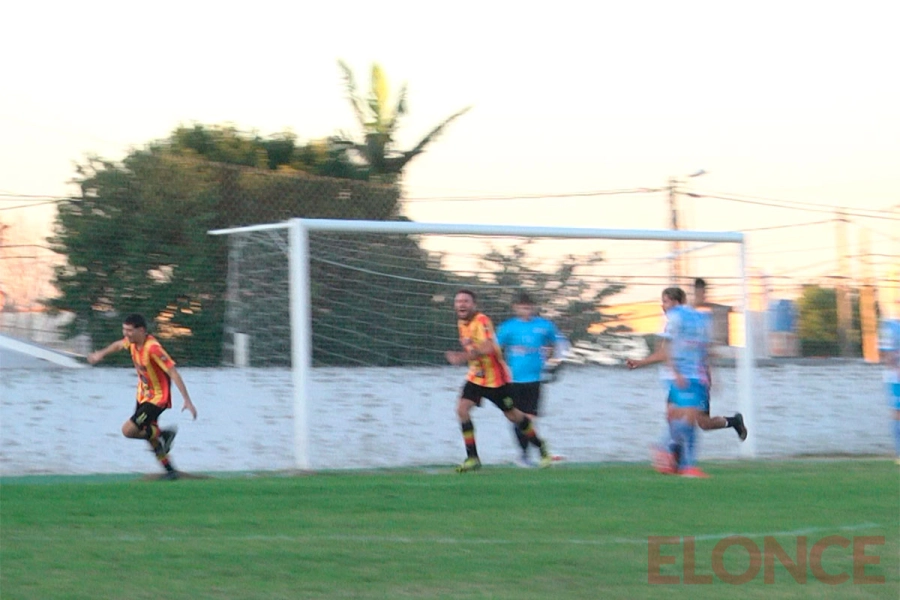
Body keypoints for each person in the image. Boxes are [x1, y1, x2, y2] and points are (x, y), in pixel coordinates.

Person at [445, 289, 553, 472]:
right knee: (461, 410)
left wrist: (461, 357)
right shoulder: (462, 323)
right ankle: (472, 458)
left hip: (496, 379)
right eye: (458, 301)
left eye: (466, 301)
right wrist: (466, 358)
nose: (461, 304)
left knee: (514, 416)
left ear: (474, 305)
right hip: (476, 376)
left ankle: (541, 447)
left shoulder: (482, 321)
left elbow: (488, 347)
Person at [88, 313, 198, 479]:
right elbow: (118, 345)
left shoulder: (153, 348)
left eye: (129, 331)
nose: (126, 334)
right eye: (124, 330)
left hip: (158, 399)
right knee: (149, 435)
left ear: (141, 330)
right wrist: (101, 354)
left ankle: (164, 434)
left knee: (129, 430)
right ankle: (170, 471)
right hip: (143, 396)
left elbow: (173, 372)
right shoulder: (132, 343)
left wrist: (187, 400)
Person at [496, 291, 566, 467]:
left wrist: (555, 361)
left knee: (530, 418)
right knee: (519, 419)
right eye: (522, 307)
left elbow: (562, 344)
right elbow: (494, 348)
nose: (526, 310)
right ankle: (526, 455)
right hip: (513, 380)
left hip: (535, 379)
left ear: (533, 308)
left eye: (528, 307)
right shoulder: (508, 327)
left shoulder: (544, 325)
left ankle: (528, 455)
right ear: (515, 308)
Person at [691, 278, 747, 440]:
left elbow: (707, 352)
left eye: (701, 292)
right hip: (685, 379)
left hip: (698, 380)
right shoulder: (687, 314)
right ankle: (676, 455)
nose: (699, 296)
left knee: (704, 423)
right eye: (697, 292)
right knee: (676, 415)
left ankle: (734, 421)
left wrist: (713, 376)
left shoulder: (704, 318)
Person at [878, 315, 900, 465]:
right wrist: (895, 366)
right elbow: (884, 355)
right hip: (896, 378)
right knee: (897, 414)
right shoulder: (889, 326)